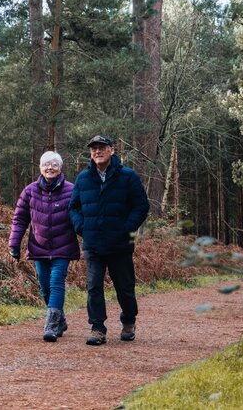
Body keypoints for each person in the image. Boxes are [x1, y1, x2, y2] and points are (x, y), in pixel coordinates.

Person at [69, 135, 150, 346]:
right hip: (93, 243)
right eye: (94, 148)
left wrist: (126, 228)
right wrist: (81, 227)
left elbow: (141, 206)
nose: (97, 151)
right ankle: (97, 328)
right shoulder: (83, 178)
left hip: (120, 243)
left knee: (124, 287)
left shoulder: (128, 176)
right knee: (94, 286)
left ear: (112, 150)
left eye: (102, 147)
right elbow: (74, 207)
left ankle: (129, 321)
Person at [9, 151, 80, 342]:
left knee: (56, 282)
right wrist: (14, 244)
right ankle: (60, 320)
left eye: (54, 164)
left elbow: (80, 218)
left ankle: (50, 326)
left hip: (63, 247)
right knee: (44, 287)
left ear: (60, 168)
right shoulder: (30, 191)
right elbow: (19, 219)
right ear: (40, 168)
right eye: (46, 164)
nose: (50, 167)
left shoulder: (72, 191)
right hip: (39, 247)